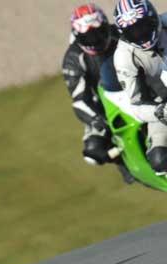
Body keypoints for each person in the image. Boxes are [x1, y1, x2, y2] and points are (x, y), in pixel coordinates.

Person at [63, 4, 122, 170]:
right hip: (105, 108)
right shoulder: (73, 59)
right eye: (88, 38)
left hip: (138, 88)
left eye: (98, 34)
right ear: (77, 36)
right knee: (93, 151)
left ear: (105, 27)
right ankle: (126, 161)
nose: (95, 41)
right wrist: (99, 121)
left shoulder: (120, 33)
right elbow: (80, 101)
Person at [113, 0, 167, 174]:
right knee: (159, 158)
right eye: (133, 32)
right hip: (163, 105)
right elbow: (137, 105)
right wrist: (160, 111)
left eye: (143, 26)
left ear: (153, 18)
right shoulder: (124, 57)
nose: (141, 34)